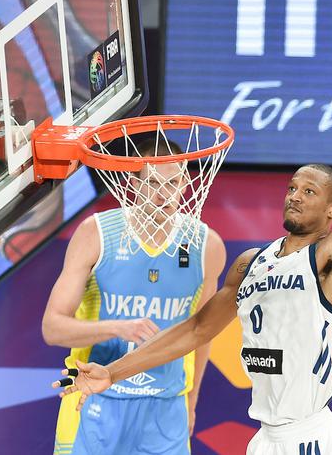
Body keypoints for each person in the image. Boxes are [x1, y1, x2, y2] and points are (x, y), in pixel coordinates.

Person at [55, 22, 332, 454]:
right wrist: (115, 372)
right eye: (292, 188)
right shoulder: (250, 264)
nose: (296, 196)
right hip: (265, 438)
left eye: (310, 191)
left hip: (312, 436)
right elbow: (194, 330)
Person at [43, 137, 226, 455]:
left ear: (185, 182)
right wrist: (117, 327)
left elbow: (202, 334)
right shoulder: (95, 235)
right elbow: (52, 328)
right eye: (153, 182)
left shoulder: (207, 246)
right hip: (91, 399)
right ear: (132, 183)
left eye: (172, 182)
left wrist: (192, 400)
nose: (163, 195)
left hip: (165, 410)